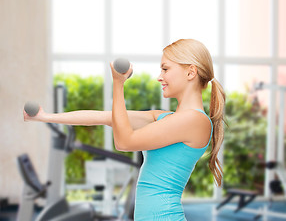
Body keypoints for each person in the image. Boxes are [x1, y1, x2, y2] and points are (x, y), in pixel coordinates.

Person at [24, 39, 227, 220]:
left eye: (165, 69)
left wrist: (118, 84)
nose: (159, 77)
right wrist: (45, 117)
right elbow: (105, 117)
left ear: (191, 72)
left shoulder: (195, 121)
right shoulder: (165, 118)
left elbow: (124, 142)